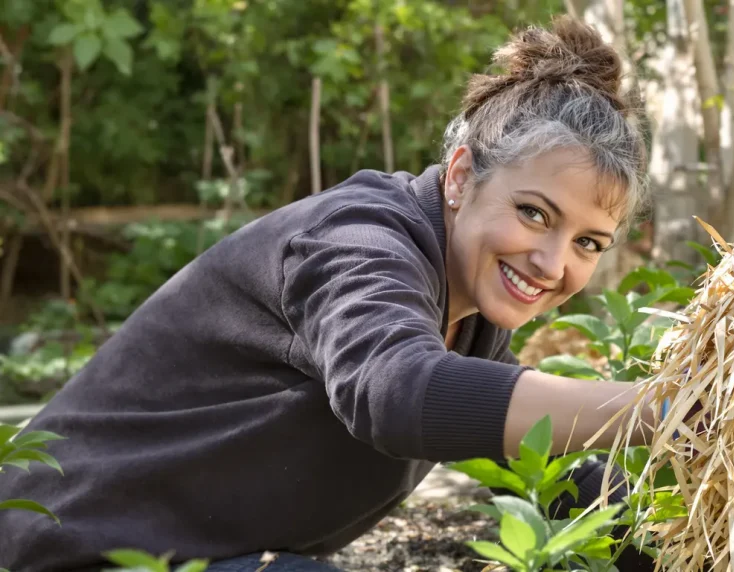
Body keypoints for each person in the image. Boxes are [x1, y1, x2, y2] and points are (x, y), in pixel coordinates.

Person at [0, 16, 673, 572]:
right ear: (463, 176)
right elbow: (400, 392)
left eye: (589, 242)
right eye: (534, 213)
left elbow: (534, 460)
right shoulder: (359, 241)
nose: (553, 263)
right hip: (62, 549)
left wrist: (682, 539)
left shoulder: (461, 304)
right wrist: (667, 410)